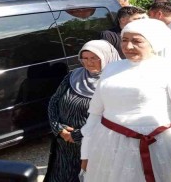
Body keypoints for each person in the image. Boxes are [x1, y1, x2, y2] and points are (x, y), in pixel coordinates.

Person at [80, 19, 171, 182]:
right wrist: (86, 152)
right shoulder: (112, 68)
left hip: (159, 148)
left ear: (153, 42)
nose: (128, 46)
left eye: (137, 41)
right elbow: (96, 113)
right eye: (125, 40)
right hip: (109, 147)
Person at [44, 40, 121, 182]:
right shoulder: (74, 76)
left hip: (93, 146)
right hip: (64, 146)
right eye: (84, 58)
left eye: (94, 58)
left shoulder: (116, 82)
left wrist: (77, 135)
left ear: (107, 57)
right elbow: (54, 101)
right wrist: (58, 128)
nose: (88, 63)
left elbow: (114, 118)